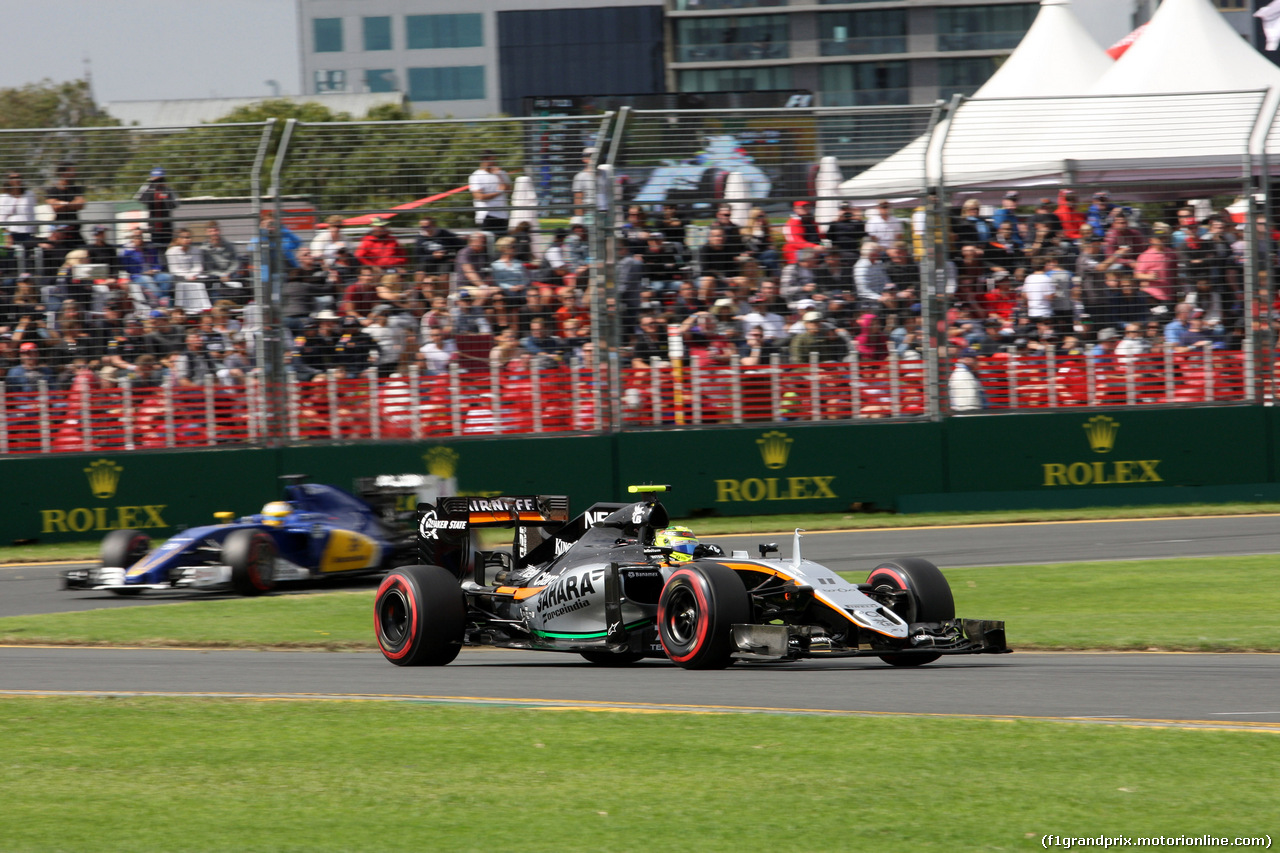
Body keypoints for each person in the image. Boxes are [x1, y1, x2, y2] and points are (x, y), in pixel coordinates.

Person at [135, 168, 179, 248]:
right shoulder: (148, 188)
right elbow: (140, 198)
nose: (158, 182)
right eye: (156, 179)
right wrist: (152, 188)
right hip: (153, 227)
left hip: (167, 227)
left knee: (167, 249)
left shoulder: (168, 189)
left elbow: (175, 204)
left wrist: (164, 194)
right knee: (155, 249)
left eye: (160, 179)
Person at [469, 151, 511, 233]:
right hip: (487, 216)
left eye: (495, 160)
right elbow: (479, 197)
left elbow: (509, 190)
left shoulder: (501, 173)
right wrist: (499, 192)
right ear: (483, 160)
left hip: (503, 215)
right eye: (491, 160)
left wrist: (499, 175)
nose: (494, 163)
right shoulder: (476, 176)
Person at [45, 163, 85, 239]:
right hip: (60, 233)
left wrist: (62, 204)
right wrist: (72, 204)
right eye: (72, 171)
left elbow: (81, 204)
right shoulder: (53, 190)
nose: (75, 174)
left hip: (74, 231)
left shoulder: (76, 189)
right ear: (63, 173)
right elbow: (56, 208)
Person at [0, 172, 38, 251]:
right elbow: (2, 219)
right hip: (12, 233)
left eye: (19, 177)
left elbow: (32, 213)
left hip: (28, 233)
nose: (17, 180)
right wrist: (7, 236)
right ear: (8, 181)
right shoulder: (3, 198)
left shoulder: (29, 195)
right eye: (13, 178)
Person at [948, 348, 985, 412]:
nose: (978, 362)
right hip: (968, 414)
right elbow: (968, 404)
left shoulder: (967, 373)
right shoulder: (963, 375)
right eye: (976, 359)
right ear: (968, 360)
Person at [571, 147, 598, 226]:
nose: (592, 158)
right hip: (589, 213)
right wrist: (580, 221)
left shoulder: (603, 175)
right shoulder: (580, 176)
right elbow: (578, 201)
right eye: (589, 156)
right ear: (584, 159)